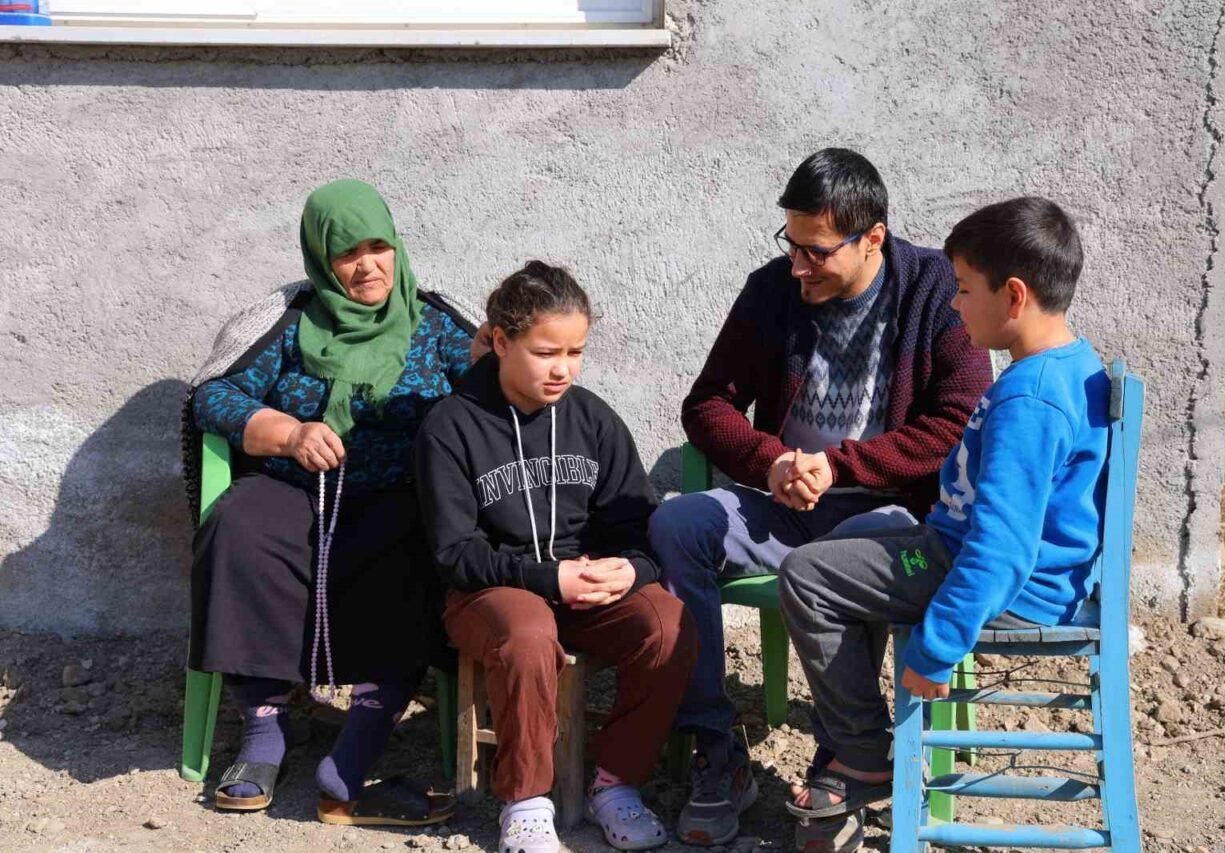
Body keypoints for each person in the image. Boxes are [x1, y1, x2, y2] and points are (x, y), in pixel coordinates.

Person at [646, 148, 992, 845]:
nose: (799, 266)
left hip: (890, 510)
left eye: (817, 251)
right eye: (791, 244)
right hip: (784, 503)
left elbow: (958, 420)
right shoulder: (772, 290)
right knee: (677, 523)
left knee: (855, 550)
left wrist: (839, 466)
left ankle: (841, 761)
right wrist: (770, 460)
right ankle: (715, 748)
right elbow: (707, 405)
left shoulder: (933, 291)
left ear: (873, 237)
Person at [778, 197, 1109, 848]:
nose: (954, 306)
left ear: (1013, 296)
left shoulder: (1030, 399)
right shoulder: (1069, 367)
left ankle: (863, 755)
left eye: (963, 290)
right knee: (846, 548)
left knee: (807, 576)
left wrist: (938, 645)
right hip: (985, 561)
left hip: (1005, 585)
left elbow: (1003, 545)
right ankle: (857, 749)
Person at [185, 179, 474, 825]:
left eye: (378, 247)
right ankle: (264, 728)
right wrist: (288, 433)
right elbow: (214, 395)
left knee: (419, 538)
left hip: (398, 494)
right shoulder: (289, 321)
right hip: (296, 490)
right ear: (321, 258)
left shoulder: (434, 324)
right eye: (347, 253)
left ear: (396, 247)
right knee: (237, 524)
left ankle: (361, 736)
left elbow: (491, 388)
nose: (367, 265)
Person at [415, 261, 697, 853]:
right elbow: (455, 553)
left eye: (575, 352)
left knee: (668, 623)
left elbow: (637, 526)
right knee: (527, 633)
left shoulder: (592, 418)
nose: (563, 368)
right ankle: (525, 802)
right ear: (500, 341)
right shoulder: (450, 426)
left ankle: (616, 784)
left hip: (583, 587)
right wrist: (548, 578)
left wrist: (633, 568)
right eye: (546, 352)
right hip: (489, 593)